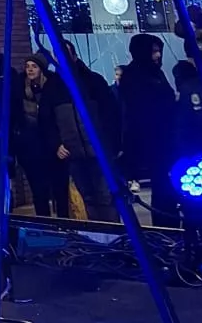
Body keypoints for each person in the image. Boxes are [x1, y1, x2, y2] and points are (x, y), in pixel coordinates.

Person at [48, 44, 120, 224]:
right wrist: (56, 144)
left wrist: (112, 143)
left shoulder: (92, 81)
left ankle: (114, 236)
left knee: (106, 196)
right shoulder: (53, 86)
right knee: (86, 198)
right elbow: (47, 121)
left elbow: (111, 114)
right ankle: (99, 237)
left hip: (99, 151)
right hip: (74, 153)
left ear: (74, 55)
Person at [116, 34, 179, 227]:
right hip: (151, 139)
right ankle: (165, 228)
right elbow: (140, 109)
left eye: (159, 50)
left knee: (167, 187)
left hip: (166, 137)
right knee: (162, 187)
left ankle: (170, 224)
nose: (158, 55)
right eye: (153, 51)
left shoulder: (155, 73)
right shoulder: (135, 75)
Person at [11, 55, 60, 217]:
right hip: (30, 148)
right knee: (38, 190)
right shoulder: (19, 89)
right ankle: (45, 223)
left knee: (57, 188)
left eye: (34, 66)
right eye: (28, 66)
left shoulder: (51, 87)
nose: (30, 69)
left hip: (50, 146)